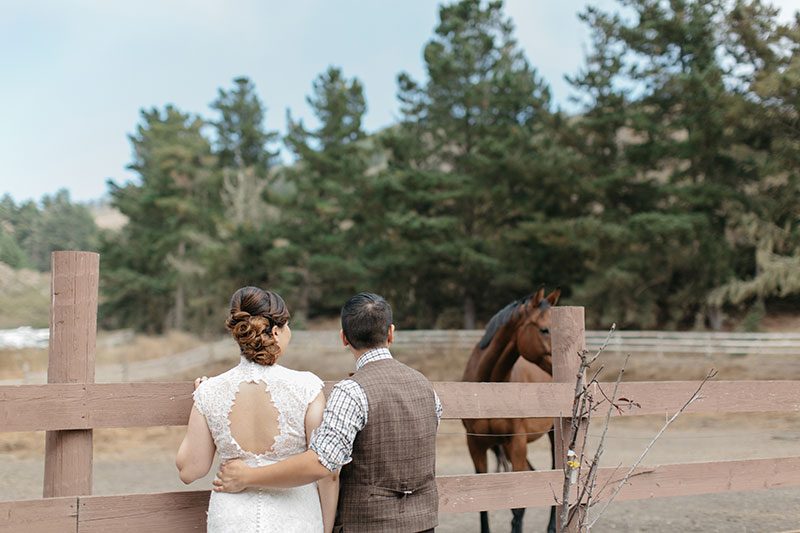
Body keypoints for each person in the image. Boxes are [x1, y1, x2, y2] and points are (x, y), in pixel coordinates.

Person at [213, 292, 442, 533]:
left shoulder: (352, 391)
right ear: (391, 333)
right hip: (423, 523)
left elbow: (321, 463)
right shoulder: (425, 385)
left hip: (368, 525)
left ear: (344, 338)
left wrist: (249, 476)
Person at [176, 286, 338, 533]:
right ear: (275, 332)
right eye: (288, 326)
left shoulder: (211, 391)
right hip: (295, 518)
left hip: (232, 520)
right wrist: (325, 528)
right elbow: (327, 472)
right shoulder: (307, 387)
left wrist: (201, 397)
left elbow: (189, 470)